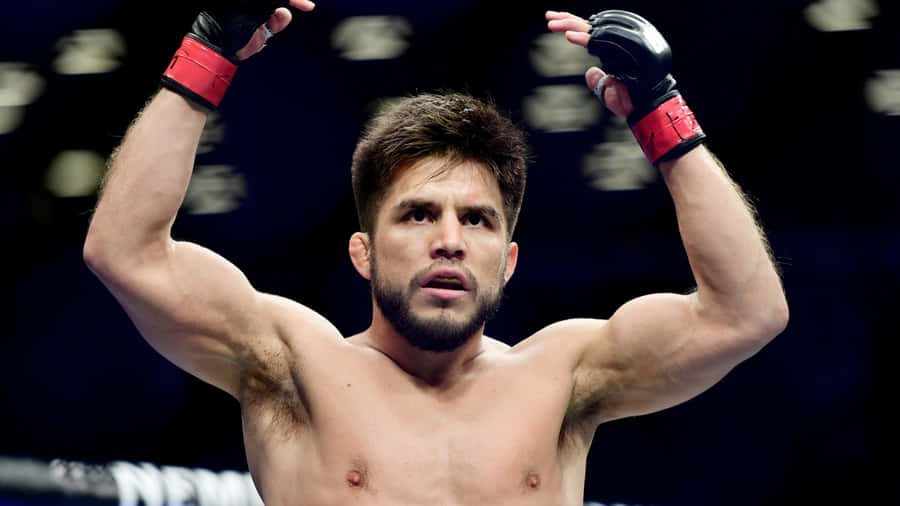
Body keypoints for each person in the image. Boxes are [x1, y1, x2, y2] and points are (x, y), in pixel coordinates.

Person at [83, 2, 789, 505]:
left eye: (477, 220)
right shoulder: (295, 367)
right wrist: (206, 52)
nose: (449, 240)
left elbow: (746, 314)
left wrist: (662, 111)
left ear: (507, 262)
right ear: (363, 252)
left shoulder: (564, 377)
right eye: (418, 214)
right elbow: (126, 252)